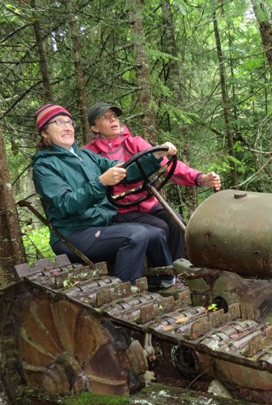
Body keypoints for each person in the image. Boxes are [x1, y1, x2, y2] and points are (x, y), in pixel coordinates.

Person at [32, 103, 174, 285]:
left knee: (156, 233)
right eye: (58, 123)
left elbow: (126, 171)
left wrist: (156, 156)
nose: (67, 127)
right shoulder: (44, 166)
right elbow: (66, 205)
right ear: (45, 132)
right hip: (73, 234)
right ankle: (124, 295)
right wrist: (101, 182)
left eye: (69, 122)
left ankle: (166, 284)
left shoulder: (86, 156)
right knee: (135, 235)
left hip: (101, 225)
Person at [83, 101, 221, 262]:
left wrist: (200, 178)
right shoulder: (89, 153)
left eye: (114, 116)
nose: (112, 120)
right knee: (159, 227)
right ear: (95, 127)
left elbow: (167, 166)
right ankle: (161, 275)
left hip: (147, 202)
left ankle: (179, 269)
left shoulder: (135, 143)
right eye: (105, 117)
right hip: (120, 210)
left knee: (176, 222)